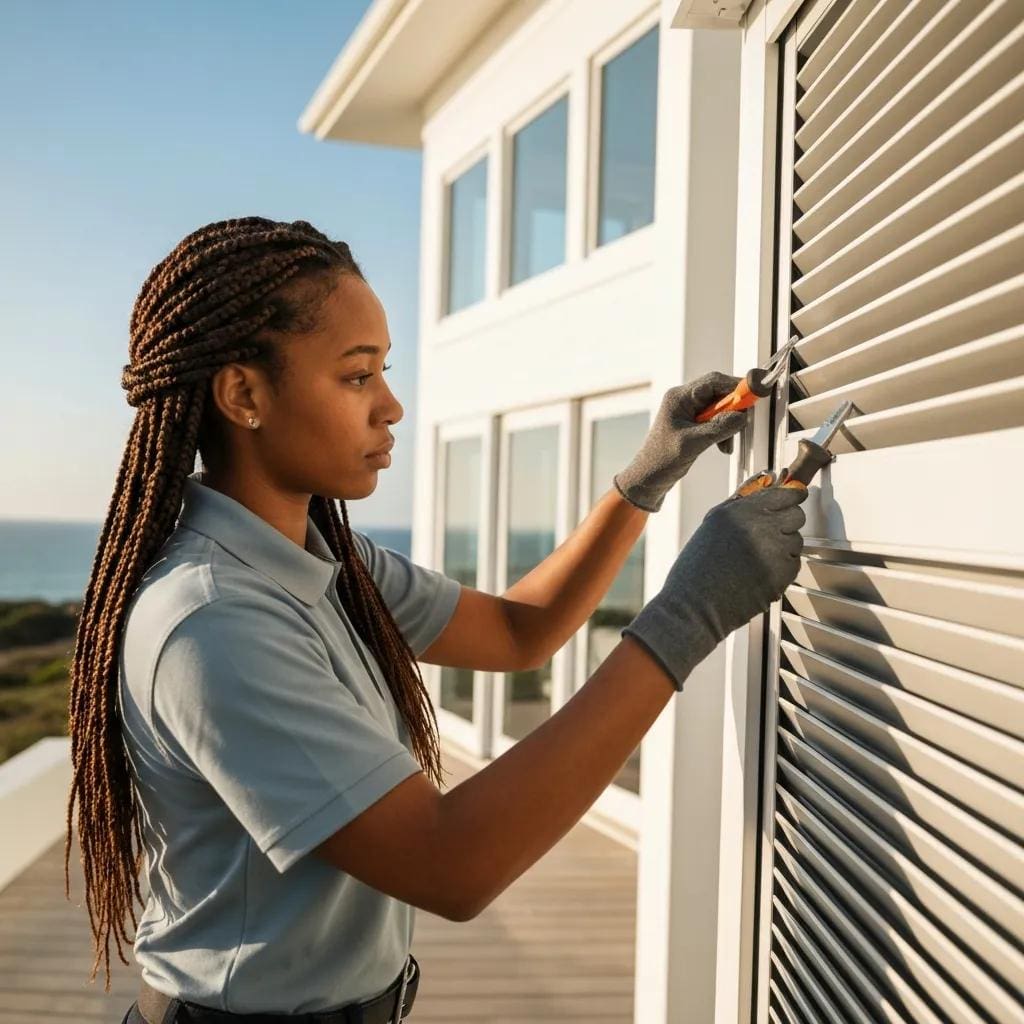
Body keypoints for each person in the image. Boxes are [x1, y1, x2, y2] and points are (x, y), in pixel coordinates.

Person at [61, 217, 805, 1024]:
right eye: (356, 377)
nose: (392, 406)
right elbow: (453, 864)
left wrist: (647, 476)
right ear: (244, 395)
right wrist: (691, 614)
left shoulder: (327, 562)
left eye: (384, 371)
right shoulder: (214, 621)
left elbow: (522, 630)